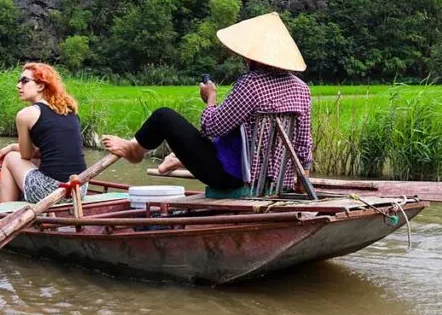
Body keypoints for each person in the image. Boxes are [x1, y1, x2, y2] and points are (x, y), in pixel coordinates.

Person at [102, 12, 313, 193]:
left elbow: (211, 127)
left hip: (235, 178)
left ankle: (135, 151)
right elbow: (304, 145)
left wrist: (210, 98)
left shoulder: (252, 84)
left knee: (163, 117)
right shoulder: (302, 89)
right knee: (229, 136)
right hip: (275, 182)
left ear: (253, 57)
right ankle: (178, 159)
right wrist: (304, 178)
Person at [0, 62, 87, 203]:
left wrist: (12, 148)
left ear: (41, 86)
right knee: (37, 160)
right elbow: (54, 151)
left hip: (52, 192)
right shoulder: (69, 110)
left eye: (24, 81)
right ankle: (13, 196)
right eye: (19, 81)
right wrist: (13, 146)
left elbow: (26, 155)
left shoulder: (26, 115)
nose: (18, 85)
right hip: (79, 189)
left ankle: (5, 211)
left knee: (10, 158)